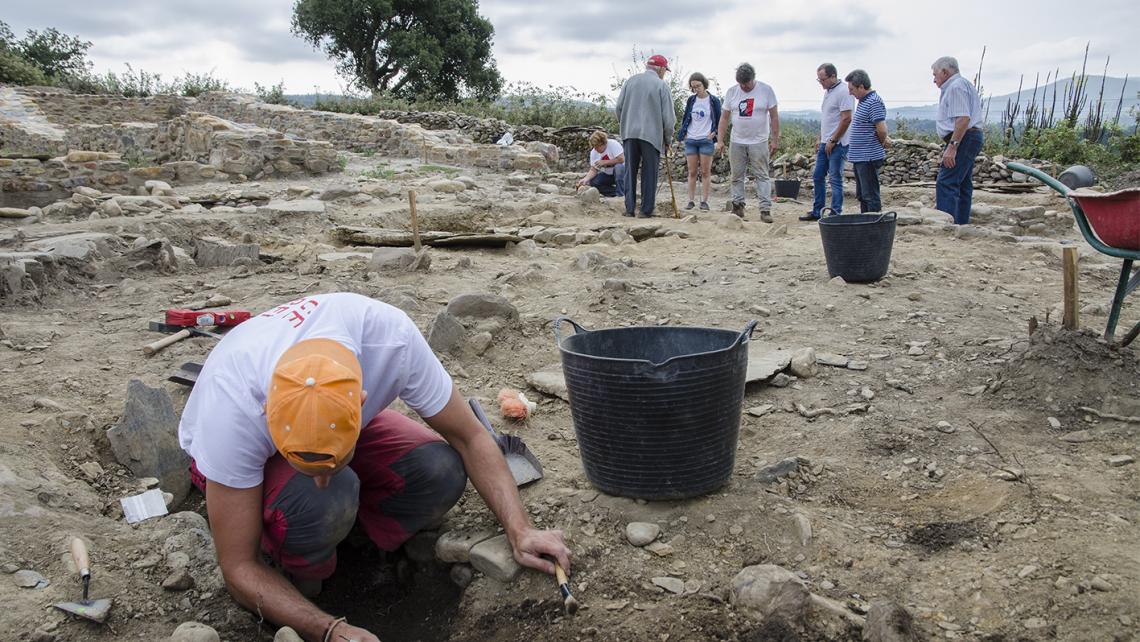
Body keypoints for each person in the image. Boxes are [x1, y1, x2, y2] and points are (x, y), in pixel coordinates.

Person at [178, 293, 571, 642]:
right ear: (267, 412)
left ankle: (358, 546)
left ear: (361, 401)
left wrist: (519, 529)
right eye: (305, 462)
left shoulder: (389, 339)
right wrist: (329, 629)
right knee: (328, 494)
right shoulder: (233, 407)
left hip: (333, 413)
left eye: (329, 459)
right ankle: (303, 572)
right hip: (230, 466)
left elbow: (470, 437)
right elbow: (237, 567)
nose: (319, 474)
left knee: (439, 470)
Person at [615, 54, 677, 218]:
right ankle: (645, 210)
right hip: (651, 135)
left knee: (630, 171)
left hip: (629, 133)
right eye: (665, 70)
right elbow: (669, 119)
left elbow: (618, 108)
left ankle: (629, 209)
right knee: (649, 173)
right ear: (661, 69)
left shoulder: (630, 81)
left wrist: (625, 124)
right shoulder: (661, 86)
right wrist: (667, 140)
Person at [716, 62, 779, 223]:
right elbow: (724, 117)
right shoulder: (732, 92)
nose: (744, 87)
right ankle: (738, 206)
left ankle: (765, 209)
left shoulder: (766, 90)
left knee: (762, 175)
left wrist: (775, 139)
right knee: (736, 175)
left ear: (753, 79)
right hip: (737, 140)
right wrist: (720, 139)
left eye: (747, 83)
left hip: (759, 140)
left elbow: (774, 116)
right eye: (741, 84)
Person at [932, 56, 984, 225]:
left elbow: (963, 118)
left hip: (963, 137)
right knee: (962, 183)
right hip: (968, 137)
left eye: (935, 75)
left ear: (945, 72)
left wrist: (953, 146)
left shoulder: (955, 87)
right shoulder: (963, 84)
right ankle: (961, 223)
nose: (934, 80)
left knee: (946, 181)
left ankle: (946, 225)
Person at [800, 63, 854, 221]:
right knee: (818, 176)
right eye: (819, 80)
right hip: (826, 141)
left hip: (838, 143)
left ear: (833, 76)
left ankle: (835, 213)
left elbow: (846, 118)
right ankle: (818, 210)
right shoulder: (829, 92)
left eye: (822, 79)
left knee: (835, 178)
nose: (821, 83)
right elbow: (828, 119)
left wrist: (833, 139)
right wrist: (821, 137)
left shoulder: (844, 91)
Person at [845, 69, 890, 213]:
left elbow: (881, 129)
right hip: (860, 157)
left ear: (861, 87)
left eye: (852, 89)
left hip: (868, 156)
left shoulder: (874, 102)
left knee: (870, 195)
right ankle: (865, 223)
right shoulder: (864, 102)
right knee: (863, 195)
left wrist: (881, 142)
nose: (850, 93)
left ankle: (874, 226)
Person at [676, 72, 721, 211]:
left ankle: (705, 201)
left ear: (704, 84)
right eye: (693, 87)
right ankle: (690, 200)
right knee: (692, 171)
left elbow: (720, 119)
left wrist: (714, 133)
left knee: (706, 171)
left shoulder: (713, 101)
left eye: (698, 86)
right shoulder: (691, 100)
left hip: (706, 139)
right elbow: (685, 118)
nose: (696, 89)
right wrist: (683, 134)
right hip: (691, 139)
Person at [575, 130, 626, 197]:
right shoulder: (594, 152)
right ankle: (615, 193)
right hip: (608, 175)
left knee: (619, 168)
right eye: (594, 147)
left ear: (603, 143)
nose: (595, 149)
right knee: (594, 182)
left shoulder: (613, 144)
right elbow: (594, 169)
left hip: (622, 174)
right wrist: (585, 179)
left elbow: (621, 159)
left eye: (597, 146)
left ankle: (621, 195)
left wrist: (605, 162)